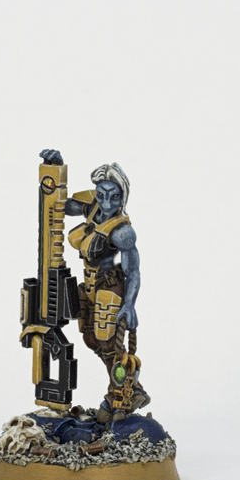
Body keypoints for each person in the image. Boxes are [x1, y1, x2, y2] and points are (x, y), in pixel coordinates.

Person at [39, 149, 149, 421]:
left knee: (108, 341)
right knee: (91, 339)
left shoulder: (122, 232)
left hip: (109, 287)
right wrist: (54, 169)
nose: (107, 201)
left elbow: (133, 271)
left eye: (114, 196)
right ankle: (131, 385)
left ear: (122, 196)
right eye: (102, 194)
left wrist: (129, 304)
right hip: (88, 286)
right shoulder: (92, 208)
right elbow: (61, 204)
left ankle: (120, 394)